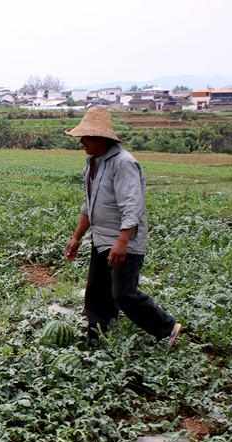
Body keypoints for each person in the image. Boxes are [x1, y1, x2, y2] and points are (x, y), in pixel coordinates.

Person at [64, 108, 182, 348]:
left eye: (86, 137)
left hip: (123, 242)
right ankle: (99, 338)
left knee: (123, 293)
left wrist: (122, 241)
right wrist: (77, 238)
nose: (81, 142)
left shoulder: (123, 164)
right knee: (96, 294)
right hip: (101, 239)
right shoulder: (93, 164)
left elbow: (132, 207)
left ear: (102, 138)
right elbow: (89, 206)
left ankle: (167, 327)